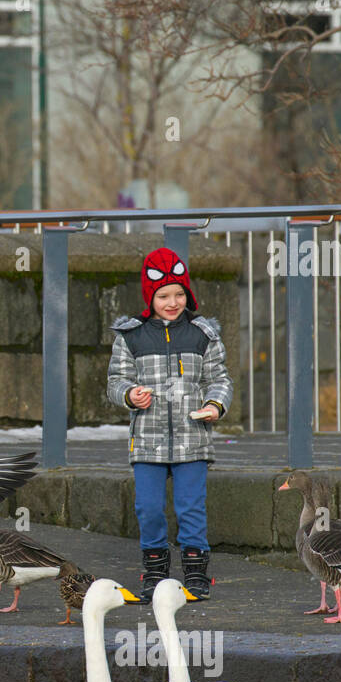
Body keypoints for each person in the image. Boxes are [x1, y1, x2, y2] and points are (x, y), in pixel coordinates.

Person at [106, 247, 233, 600]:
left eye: (179, 294)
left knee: (190, 506)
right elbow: (115, 381)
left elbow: (220, 380)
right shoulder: (130, 336)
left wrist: (214, 405)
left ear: (187, 294)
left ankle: (195, 572)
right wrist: (130, 394)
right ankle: (155, 570)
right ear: (151, 297)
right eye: (164, 295)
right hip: (148, 440)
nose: (172, 302)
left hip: (193, 439)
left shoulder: (202, 334)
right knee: (148, 507)